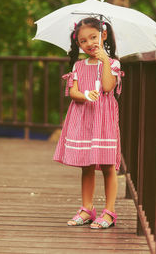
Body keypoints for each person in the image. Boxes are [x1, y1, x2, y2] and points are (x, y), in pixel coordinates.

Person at [53, 17, 124, 229]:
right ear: (78, 44)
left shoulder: (113, 63)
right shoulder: (78, 65)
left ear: (103, 36)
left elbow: (108, 87)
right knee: (87, 165)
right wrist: (85, 94)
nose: (89, 43)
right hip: (84, 118)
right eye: (83, 41)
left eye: (93, 37)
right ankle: (87, 209)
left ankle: (109, 212)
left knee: (108, 165)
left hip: (103, 119)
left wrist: (104, 61)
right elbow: (73, 93)